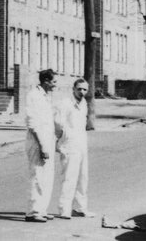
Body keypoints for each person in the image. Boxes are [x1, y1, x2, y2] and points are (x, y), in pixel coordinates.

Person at [55, 77, 95, 219]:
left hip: (81, 144)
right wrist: (63, 139)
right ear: (73, 89)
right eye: (79, 89)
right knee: (69, 178)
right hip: (69, 145)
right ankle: (64, 209)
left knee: (83, 178)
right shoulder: (65, 103)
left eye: (84, 89)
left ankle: (80, 208)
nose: (82, 92)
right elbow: (58, 124)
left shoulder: (83, 103)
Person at [24, 68, 57, 223]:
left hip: (47, 141)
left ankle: (42, 209)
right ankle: (33, 211)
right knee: (37, 176)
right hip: (37, 143)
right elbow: (33, 123)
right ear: (46, 81)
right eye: (54, 82)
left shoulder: (46, 97)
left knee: (47, 177)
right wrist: (42, 146)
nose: (55, 85)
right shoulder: (34, 96)